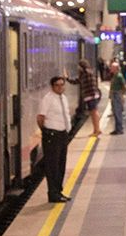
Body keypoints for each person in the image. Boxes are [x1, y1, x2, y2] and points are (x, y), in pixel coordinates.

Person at [35, 74, 72, 204]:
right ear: (52, 86)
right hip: (52, 135)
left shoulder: (64, 98)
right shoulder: (48, 99)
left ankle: (59, 191)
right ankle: (53, 193)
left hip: (62, 134)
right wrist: (46, 132)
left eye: (62, 85)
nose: (60, 87)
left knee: (61, 164)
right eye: (57, 85)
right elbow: (40, 117)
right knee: (53, 166)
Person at [73, 58, 102, 138]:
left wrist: (93, 95)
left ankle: (97, 130)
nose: (78, 68)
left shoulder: (86, 73)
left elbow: (91, 85)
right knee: (93, 113)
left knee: (93, 113)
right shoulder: (85, 73)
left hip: (91, 96)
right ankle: (96, 129)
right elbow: (77, 81)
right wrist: (67, 79)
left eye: (79, 66)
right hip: (90, 96)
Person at [108, 60, 126, 135]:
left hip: (117, 95)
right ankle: (117, 129)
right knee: (115, 112)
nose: (110, 69)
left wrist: (122, 95)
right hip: (114, 94)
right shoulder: (115, 75)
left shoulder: (119, 76)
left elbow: (124, 86)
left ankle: (119, 129)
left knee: (118, 112)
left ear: (116, 68)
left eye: (112, 67)